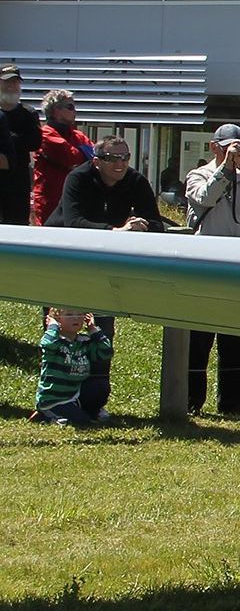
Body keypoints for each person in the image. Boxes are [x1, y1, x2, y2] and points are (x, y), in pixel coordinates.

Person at [48, 135, 160, 420]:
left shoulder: (135, 181)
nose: (120, 163)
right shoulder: (78, 178)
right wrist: (115, 232)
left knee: (101, 334)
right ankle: (54, 401)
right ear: (96, 161)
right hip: (65, 261)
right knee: (62, 334)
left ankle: (93, 402)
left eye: (125, 157)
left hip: (103, 268)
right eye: (112, 158)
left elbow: (157, 222)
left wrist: (142, 226)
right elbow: (73, 222)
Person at [182, 124, 240, 416]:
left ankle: (232, 403)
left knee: (236, 339)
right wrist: (225, 167)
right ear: (214, 147)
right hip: (206, 265)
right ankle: (190, 401)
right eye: (228, 147)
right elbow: (206, 198)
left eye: (238, 147)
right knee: (199, 340)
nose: (235, 153)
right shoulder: (198, 174)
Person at [29, 309, 112, 426]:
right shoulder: (55, 341)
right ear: (57, 320)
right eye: (69, 315)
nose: (76, 318)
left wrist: (93, 329)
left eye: (80, 314)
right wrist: (52, 327)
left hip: (73, 396)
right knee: (82, 422)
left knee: (100, 387)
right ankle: (45, 416)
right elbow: (47, 345)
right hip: (54, 400)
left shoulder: (83, 342)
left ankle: (90, 411)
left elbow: (106, 352)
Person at [33, 90, 93, 225]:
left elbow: (94, 158)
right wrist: (83, 157)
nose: (74, 111)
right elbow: (72, 157)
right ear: (56, 111)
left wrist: (84, 159)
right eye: (70, 107)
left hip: (74, 200)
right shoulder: (44, 134)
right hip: (50, 202)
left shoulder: (78, 135)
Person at [0, 63, 41, 224]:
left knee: (17, 223)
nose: (11, 86)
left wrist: (7, 137)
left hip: (18, 181)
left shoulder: (28, 113)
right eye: (7, 82)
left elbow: (35, 142)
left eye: (15, 82)